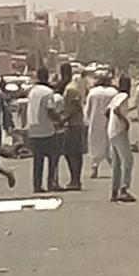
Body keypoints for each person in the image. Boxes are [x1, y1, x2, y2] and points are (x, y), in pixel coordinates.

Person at [26, 67, 61, 193]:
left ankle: (37, 185)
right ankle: (51, 183)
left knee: (38, 160)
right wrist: (59, 120)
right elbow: (50, 110)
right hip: (47, 130)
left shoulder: (32, 91)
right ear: (47, 77)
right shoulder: (48, 92)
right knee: (53, 158)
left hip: (33, 129)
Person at [107, 75, 136, 203]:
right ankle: (124, 189)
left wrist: (112, 122)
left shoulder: (116, 96)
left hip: (111, 131)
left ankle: (114, 191)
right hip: (119, 131)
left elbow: (107, 111)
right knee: (128, 160)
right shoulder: (124, 96)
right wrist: (125, 121)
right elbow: (117, 110)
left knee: (116, 162)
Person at [59, 62, 86, 190]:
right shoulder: (71, 87)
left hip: (73, 124)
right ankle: (75, 180)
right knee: (73, 153)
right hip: (74, 123)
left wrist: (65, 118)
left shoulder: (71, 89)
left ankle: (75, 180)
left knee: (72, 153)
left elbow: (77, 107)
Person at [85, 74, 117, 180]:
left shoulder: (93, 92)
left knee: (95, 145)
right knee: (110, 144)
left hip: (95, 122)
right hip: (110, 121)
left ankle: (94, 166)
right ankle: (115, 167)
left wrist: (88, 120)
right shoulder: (113, 92)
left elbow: (88, 109)